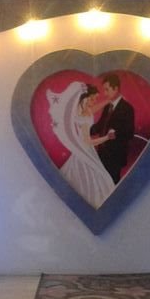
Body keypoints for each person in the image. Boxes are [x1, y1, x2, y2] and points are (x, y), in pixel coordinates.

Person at [45, 81, 115, 209]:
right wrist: (106, 138)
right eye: (92, 99)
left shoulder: (83, 110)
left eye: (95, 99)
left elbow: (93, 110)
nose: (94, 101)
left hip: (86, 149)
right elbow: (88, 142)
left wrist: (107, 101)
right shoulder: (81, 116)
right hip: (86, 149)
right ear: (85, 98)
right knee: (100, 178)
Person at [90, 73, 135, 183]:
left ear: (116, 89)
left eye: (107, 90)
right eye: (104, 90)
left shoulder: (127, 108)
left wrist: (116, 134)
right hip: (102, 154)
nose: (105, 93)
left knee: (112, 184)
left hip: (115, 156)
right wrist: (86, 131)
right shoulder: (107, 107)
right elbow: (100, 125)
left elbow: (130, 133)